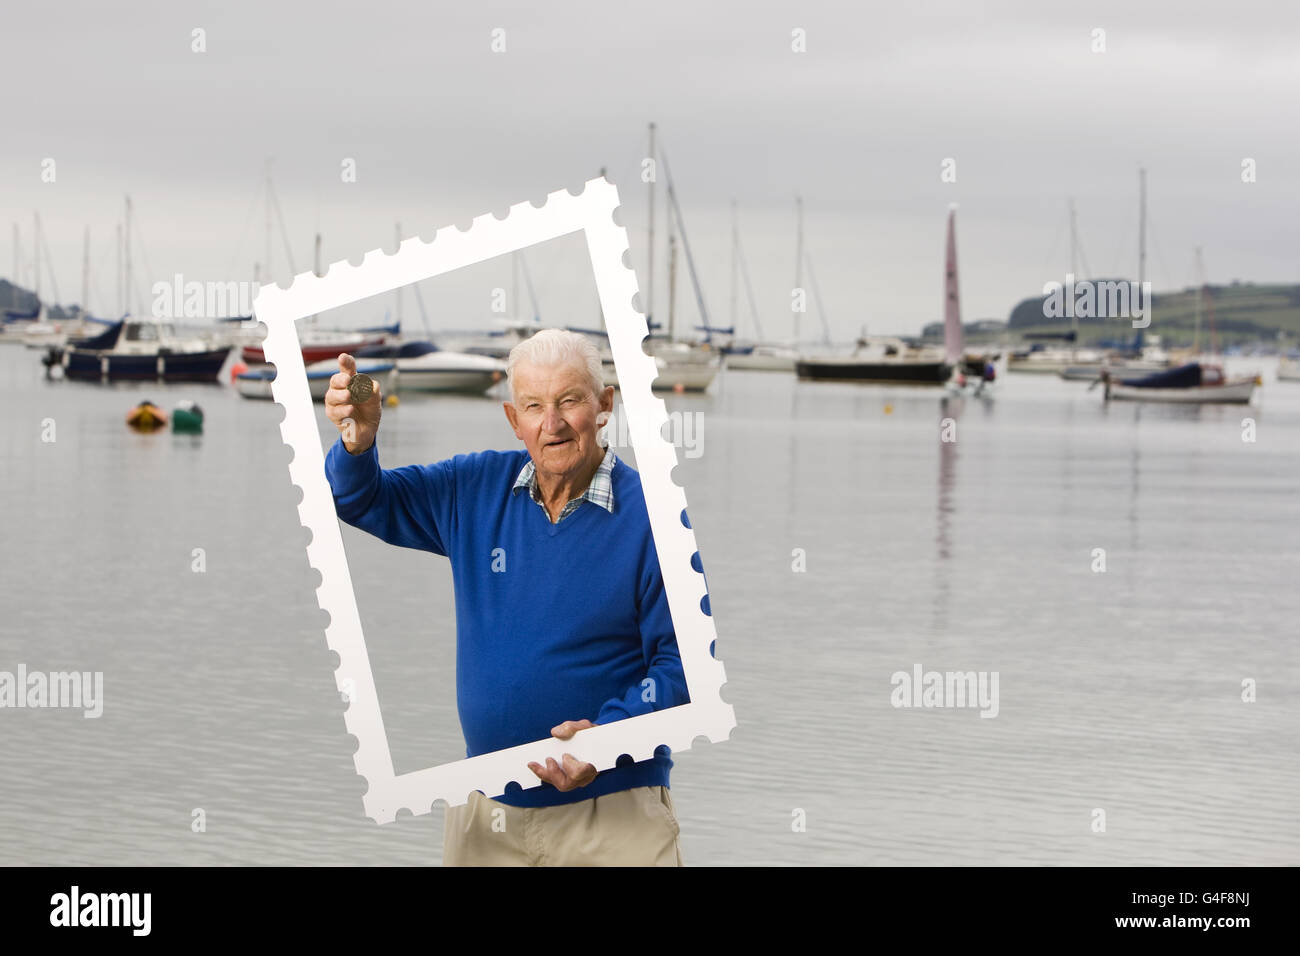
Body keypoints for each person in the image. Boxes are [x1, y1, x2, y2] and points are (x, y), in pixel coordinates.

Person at [322, 328, 688, 866]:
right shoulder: (471, 488)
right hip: (485, 816)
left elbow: (683, 668)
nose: (553, 423)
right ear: (514, 420)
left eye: (570, 401)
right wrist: (359, 440)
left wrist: (605, 739)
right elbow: (362, 499)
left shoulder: (656, 517)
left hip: (612, 815)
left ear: (605, 405)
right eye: (534, 406)